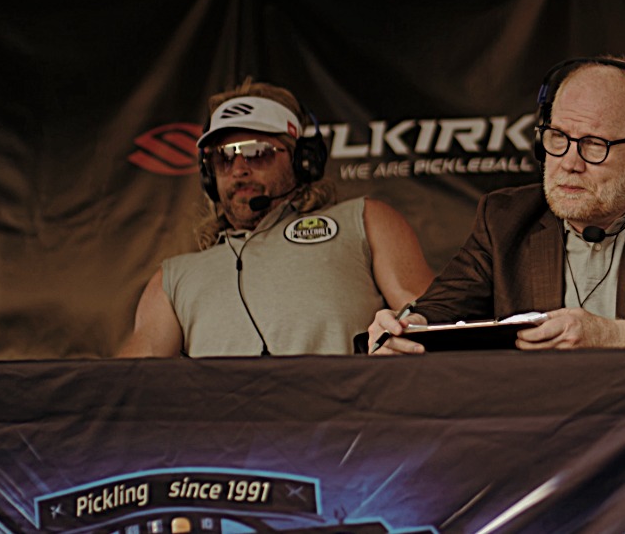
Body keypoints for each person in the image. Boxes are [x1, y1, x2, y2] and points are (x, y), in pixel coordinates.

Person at [369, 56, 625, 354]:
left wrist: (615, 336)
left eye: (595, 144)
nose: (569, 162)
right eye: (558, 137)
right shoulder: (504, 217)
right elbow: (440, 307)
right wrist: (406, 325)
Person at [119, 80, 433, 357]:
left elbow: (429, 316)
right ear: (207, 174)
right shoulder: (172, 279)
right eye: (223, 157)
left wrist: (402, 333)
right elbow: (128, 383)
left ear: (302, 160)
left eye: (257, 152)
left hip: (349, 421)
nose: (239, 168)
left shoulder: (364, 220)